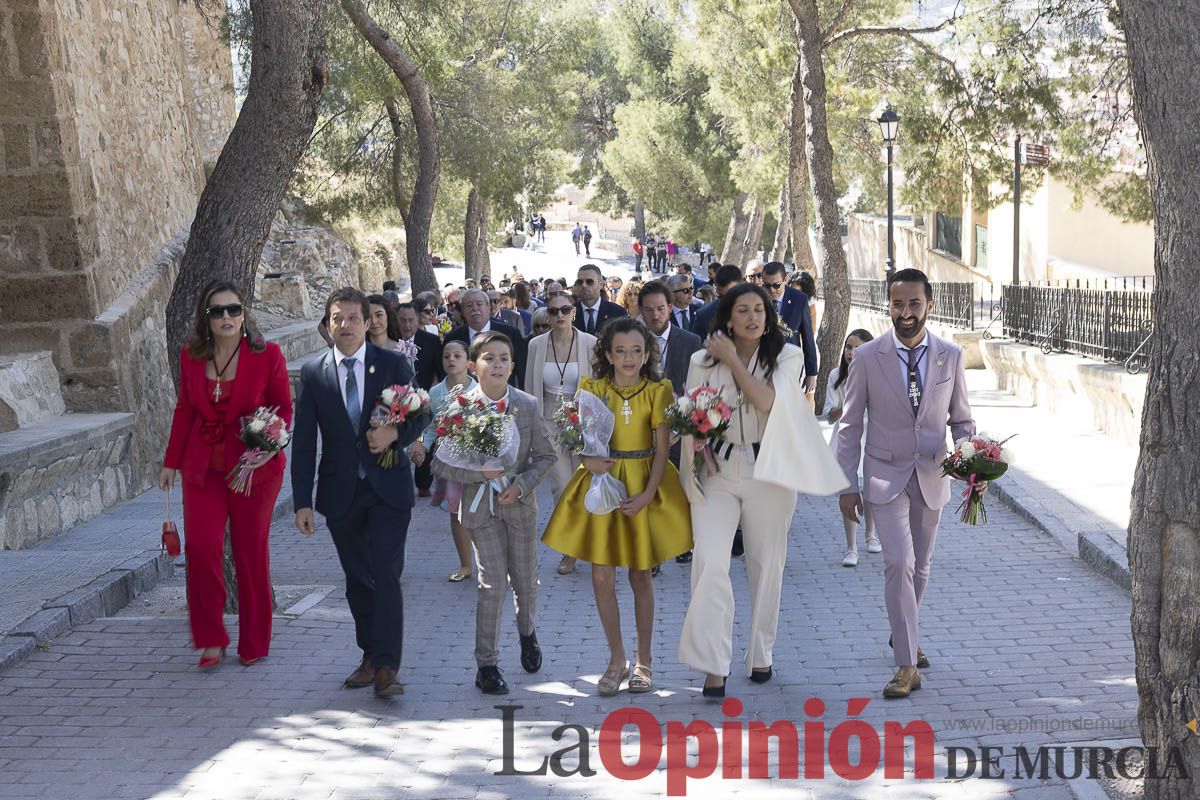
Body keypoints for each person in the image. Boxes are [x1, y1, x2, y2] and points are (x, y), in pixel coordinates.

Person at [677, 284, 847, 699]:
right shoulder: (701, 360)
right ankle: (713, 665)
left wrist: (733, 360)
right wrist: (698, 449)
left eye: (760, 309)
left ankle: (760, 654)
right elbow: (692, 409)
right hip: (716, 470)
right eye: (742, 310)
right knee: (710, 562)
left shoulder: (787, 356)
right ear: (727, 318)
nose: (752, 317)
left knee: (765, 564)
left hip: (769, 470)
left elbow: (768, 401)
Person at [835, 268, 977, 699]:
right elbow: (848, 426)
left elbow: (962, 420)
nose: (906, 312)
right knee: (898, 562)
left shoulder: (950, 356)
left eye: (915, 304)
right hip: (883, 476)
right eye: (898, 304)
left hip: (932, 475)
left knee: (922, 567)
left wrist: (972, 461)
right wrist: (846, 484)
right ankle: (906, 666)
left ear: (929, 305)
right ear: (888, 306)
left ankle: (904, 634)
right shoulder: (867, 357)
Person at [542, 317, 693, 696]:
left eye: (637, 351)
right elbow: (578, 436)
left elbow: (662, 450)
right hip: (601, 483)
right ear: (608, 354)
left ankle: (644, 661)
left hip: (642, 482)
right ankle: (616, 658)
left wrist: (647, 495)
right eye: (621, 351)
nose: (628, 358)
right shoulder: (592, 388)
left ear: (647, 355)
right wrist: (586, 459)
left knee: (641, 575)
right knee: (600, 577)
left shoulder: (659, 390)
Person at [291, 287, 430, 697]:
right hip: (340, 492)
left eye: (354, 318)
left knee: (386, 574)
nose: (346, 325)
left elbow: (422, 412)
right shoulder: (314, 373)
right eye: (338, 318)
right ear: (328, 324)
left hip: (387, 488)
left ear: (368, 322)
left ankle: (387, 666)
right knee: (357, 579)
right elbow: (303, 441)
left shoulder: (392, 363)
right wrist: (302, 501)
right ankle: (370, 654)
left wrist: (394, 433)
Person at [160, 281, 291, 670]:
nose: (227, 318)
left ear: (244, 313)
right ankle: (210, 637)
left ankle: (253, 641)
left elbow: (284, 409)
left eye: (233, 309)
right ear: (207, 317)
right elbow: (185, 409)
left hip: (253, 467)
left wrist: (266, 447)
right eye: (217, 311)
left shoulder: (267, 355)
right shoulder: (191, 356)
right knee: (201, 549)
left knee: (251, 553)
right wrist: (170, 461)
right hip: (202, 467)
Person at [431, 332, 557, 695]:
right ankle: (486, 664)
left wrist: (522, 484)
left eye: (504, 359)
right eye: (489, 358)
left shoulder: (527, 406)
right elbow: (442, 462)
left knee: (525, 581)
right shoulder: (460, 406)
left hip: (518, 507)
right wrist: (477, 475)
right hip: (479, 511)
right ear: (474, 366)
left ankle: (527, 633)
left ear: (513, 366)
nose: (497, 365)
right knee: (491, 586)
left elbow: (545, 456)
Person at [524, 293, 597, 576]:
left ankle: (591, 542)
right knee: (562, 487)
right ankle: (570, 550)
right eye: (554, 311)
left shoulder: (590, 344)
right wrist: (533, 431)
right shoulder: (536, 345)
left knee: (585, 485)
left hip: (583, 419)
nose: (559, 316)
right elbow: (531, 389)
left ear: (574, 313)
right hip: (549, 420)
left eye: (565, 309)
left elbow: (599, 385)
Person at [638, 281, 703, 571]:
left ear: (670, 308)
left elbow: (698, 388)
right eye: (648, 310)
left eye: (660, 309)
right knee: (647, 488)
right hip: (641, 429)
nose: (655, 315)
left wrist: (680, 426)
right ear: (639, 310)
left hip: (681, 427)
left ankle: (682, 542)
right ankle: (651, 551)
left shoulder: (690, 341)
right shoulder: (630, 340)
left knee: (678, 488)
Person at [411, 340, 476, 582]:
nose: (451, 360)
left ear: (468, 362)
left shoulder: (481, 390)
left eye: (457, 355)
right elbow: (429, 428)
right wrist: (421, 446)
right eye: (446, 356)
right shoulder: (435, 393)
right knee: (457, 511)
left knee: (481, 512)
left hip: (478, 462)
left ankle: (490, 562)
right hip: (448, 462)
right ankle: (466, 565)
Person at [826, 329, 879, 567]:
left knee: (870, 487)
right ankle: (851, 547)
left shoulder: (879, 374)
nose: (852, 352)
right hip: (846, 437)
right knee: (848, 489)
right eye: (849, 346)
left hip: (872, 437)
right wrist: (849, 405)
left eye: (858, 347)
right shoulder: (837, 375)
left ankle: (871, 534)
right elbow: (830, 414)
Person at [445, 289, 527, 389]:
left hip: (502, 397)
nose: (475, 308)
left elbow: (522, 371)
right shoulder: (453, 338)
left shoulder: (511, 334)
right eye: (469, 305)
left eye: (479, 304)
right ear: (463, 311)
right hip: (464, 399)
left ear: (488, 307)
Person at [760, 261, 819, 400]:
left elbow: (808, 337)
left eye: (776, 285)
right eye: (767, 285)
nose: (772, 290)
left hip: (790, 364)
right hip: (762, 363)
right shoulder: (758, 297)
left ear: (785, 280)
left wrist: (811, 373)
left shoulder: (799, 299)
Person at [690, 264, 743, 340]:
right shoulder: (704, 315)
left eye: (731, 295)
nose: (727, 301)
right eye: (721, 296)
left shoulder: (755, 311)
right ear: (716, 289)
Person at [573, 264, 627, 335]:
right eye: (580, 282)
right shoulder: (568, 312)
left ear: (601, 284)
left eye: (589, 282)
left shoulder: (618, 312)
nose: (584, 285)